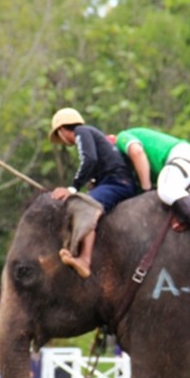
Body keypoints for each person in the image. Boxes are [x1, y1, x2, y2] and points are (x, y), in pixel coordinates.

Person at [116, 127, 190, 263]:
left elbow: (137, 152)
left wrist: (146, 188)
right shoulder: (132, 171)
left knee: (167, 188)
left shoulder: (120, 138)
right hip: (185, 159)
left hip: (180, 157)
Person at [48, 108, 137, 278]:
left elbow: (90, 159)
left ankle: (84, 260)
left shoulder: (81, 132)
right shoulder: (93, 134)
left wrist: (72, 188)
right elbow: (98, 162)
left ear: (61, 130)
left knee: (83, 205)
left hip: (117, 182)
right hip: (114, 180)